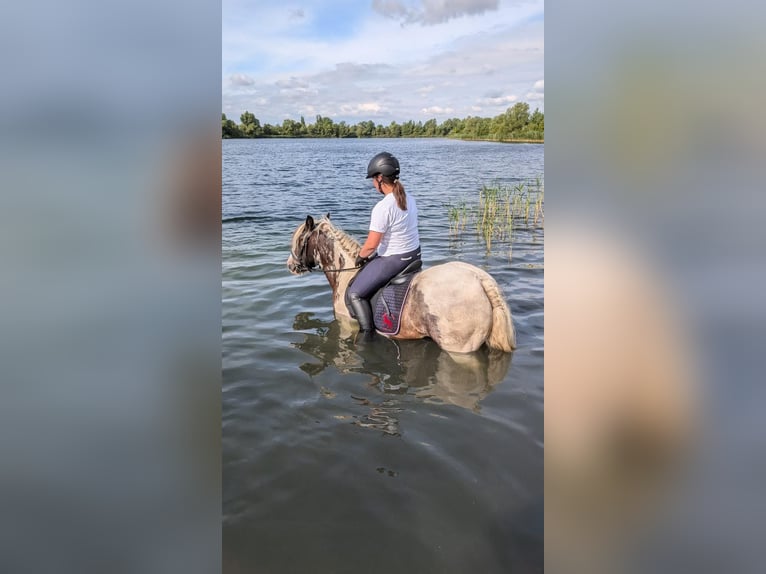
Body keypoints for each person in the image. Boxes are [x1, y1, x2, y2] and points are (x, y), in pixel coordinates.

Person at [348, 152, 421, 340]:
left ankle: (368, 336)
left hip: (394, 260)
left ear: (380, 178)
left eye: (373, 179)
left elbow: (371, 245)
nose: (373, 184)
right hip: (414, 256)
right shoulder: (409, 198)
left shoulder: (383, 207)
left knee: (355, 294)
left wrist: (361, 256)